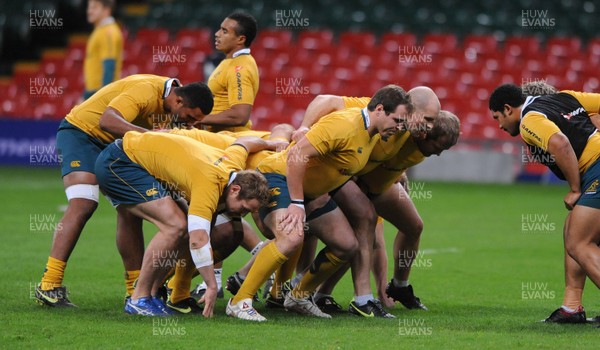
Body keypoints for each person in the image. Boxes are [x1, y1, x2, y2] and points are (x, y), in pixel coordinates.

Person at [226, 85, 413, 321]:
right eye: (397, 120)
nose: (399, 128)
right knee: (291, 236)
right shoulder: (344, 125)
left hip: (310, 193)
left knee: (346, 245)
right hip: (278, 177)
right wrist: (296, 202)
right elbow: (297, 156)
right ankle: (240, 300)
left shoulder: (372, 135)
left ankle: (299, 296)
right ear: (378, 109)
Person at [34, 75, 211, 307]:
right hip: (82, 134)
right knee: (84, 202)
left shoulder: (171, 111)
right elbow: (107, 121)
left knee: (131, 209)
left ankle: (135, 290)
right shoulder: (147, 90)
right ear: (178, 101)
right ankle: (49, 285)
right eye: (190, 117)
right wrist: (147, 135)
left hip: (117, 148)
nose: (190, 124)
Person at [287, 88, 441, 316]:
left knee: (384, 230)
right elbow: (325, 99)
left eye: (434, 121)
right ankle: (353, 297)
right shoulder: (378, 110)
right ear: (409, 110)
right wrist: (304, 127)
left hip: (359, 179)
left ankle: (326, 292)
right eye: (427, 119)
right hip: (331, 172)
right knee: (361, 225)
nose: (430, 127)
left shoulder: (407, 129)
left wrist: (401, 174)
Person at [94, 130, 271, 316]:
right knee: (175, 226)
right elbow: (198, 240)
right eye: (244, 208)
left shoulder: (233, 164)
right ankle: (138, 298)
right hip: (119, 162)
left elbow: (245, 142)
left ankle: (152, 293)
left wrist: (272, 144)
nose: (242, 214)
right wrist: (211, 285)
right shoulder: (209, 184)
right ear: (235, 190)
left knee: (184, 226)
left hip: (137, 161)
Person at [488, 84, 600, 322]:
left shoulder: (530, 120)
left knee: (579, 241)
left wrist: (574, 189)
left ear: (508, 109)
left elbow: (560, 143)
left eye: (497, 117)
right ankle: (571, 309)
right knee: (572, 230)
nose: (499, 125)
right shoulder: (567, 97)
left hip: (596, 169)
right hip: (594, 169)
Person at [200, 12, 259, 132]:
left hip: (228, 138)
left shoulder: (240, 68)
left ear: (241, 39)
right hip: (216, 136)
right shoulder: (229, 61)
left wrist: (199, 119)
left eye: (224, 31)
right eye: (219, 29)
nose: (217, 34)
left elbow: (240, 116)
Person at [83, 0, 123, 99]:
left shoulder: (108, 32)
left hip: (99, 92)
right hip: (93, 91)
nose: (89, 11)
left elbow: (109, 66)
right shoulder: (99, 31)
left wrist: (103, 98)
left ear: (106, 11)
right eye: (89, 7)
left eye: (94, 8)